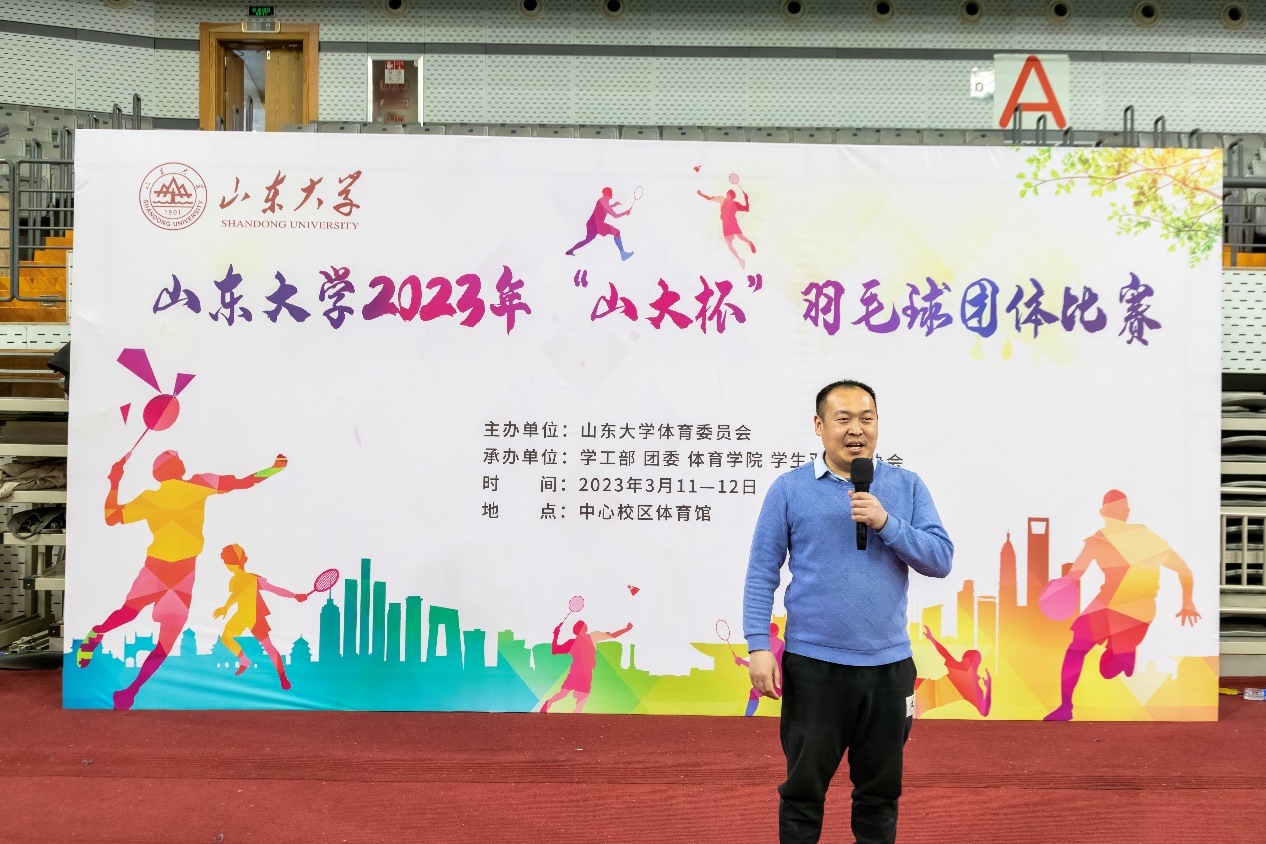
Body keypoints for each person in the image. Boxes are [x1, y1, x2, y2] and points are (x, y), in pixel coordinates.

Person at [743, 380, 953, 844]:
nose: (856, 429)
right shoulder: (790, 489)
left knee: (880, 793)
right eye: (843, 419)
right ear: (819, 426)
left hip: (888, 668)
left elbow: (940, 559)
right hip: (814, 666)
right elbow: (762, 571)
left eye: (866, 418)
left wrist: (886, 522)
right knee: (803, 791)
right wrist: (758, 645)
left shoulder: (907, 486)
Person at [75, 449, 287, 710]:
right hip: (179, 573)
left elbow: (111, 517)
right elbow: (245, 482)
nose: (182, 461)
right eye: (177, 459)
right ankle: (129, 689)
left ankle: (102, 642)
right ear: (175, 467)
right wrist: (274, 468)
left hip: (163, 569)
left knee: (130, 614)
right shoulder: (199, 484)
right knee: (161, 641)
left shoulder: (153, 497)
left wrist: (115, 482)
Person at [1045, 489, 1200, 721]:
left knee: (1108, 670)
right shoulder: (1098, 541)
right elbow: (1075, 575)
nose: (1119, 514)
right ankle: (1066, 706)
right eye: (1116, 510)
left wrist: (1188, 601)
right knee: (1076, 649)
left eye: (1120, 510)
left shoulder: (1144, 538)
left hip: (1137, 606)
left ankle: (1121, 651)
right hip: (1107, 602)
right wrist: (1057, 588)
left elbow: (1183, 569)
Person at [212, 544, 308, 690]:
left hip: (255, 617)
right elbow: (235, 595)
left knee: (269, 647)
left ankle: (283, 677)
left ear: (240, 561)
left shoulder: (254, 579)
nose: (227, 565)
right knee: (226, 637)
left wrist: (295, 596)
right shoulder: (234, 580)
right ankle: (245, 661)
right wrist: (225, 607)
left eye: (229, 561)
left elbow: (275, 589)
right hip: (242, 615)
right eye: (226, 561)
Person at [539, 618, 633, 713]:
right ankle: (552, 705)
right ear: (585, 628)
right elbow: (613, 635)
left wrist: (556, 635)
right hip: (582, 673)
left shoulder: (575, 641)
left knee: (566, 694)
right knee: (576, 697)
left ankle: (549, 703)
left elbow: (554, 650)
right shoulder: (592, 637)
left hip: (578, 673)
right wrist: (626, 629)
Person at [914, 624, 991, 718]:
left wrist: (988, 686)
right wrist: (988, 686)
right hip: (927, 690)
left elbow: (984, 712)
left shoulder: (972, 684)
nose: (964, 661)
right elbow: (945, 653)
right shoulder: (962, 672)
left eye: (967, 659)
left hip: (930, 698)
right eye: (964, 659)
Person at [565, 187, 634, 260]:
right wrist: (625, 212)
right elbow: (615, 215)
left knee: (587, 240)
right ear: (608, 194)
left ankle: (570, 251)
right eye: (611, 193)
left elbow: (605, 208)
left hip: (591, 224)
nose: (612, 194)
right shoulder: (604, 202)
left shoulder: (602, 200)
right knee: (617, 232)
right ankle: (623, 254)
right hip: (598, 225)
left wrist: (613, 205)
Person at [734, 621, 786, 716]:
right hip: (786, 680)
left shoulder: (772, 643)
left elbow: (762, 665)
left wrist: (741, 661)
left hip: (777, 681)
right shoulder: (781, 643)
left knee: (753, 693)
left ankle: (747, 718)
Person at [697, 187, 755, 268]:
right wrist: (746, 199)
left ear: (728, 194)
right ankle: (743, 254)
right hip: (729, 224)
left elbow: (709, 198)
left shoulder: (724, 200)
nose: (727, 194)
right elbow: (747, 208)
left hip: (728, 225)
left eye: (727, 193)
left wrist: (701, 194)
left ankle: (743, 253)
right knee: (735, 240)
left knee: (734, 241)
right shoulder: (729, 202)